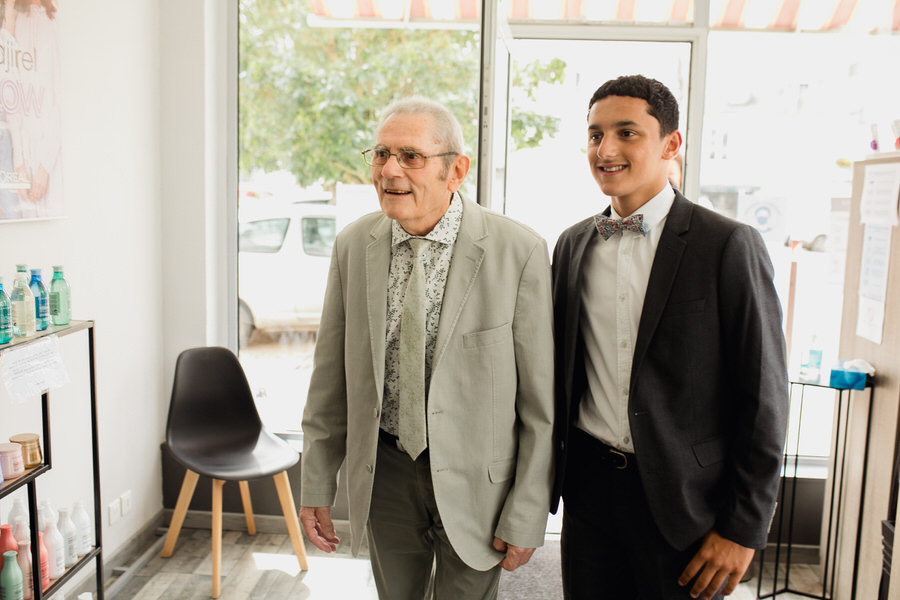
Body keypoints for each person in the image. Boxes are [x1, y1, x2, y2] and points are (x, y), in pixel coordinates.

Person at [299, 96, 555, 600]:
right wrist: (315, 485)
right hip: (386, 471)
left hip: (479, 481)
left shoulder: (518, 251)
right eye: (380, 154)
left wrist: (526, 510)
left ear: (455, 170)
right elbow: (330, 377)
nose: (389, 169)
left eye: (410, 156)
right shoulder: (354, 245)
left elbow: (540, 406)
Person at [551, 75, 788, 599]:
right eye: (594, 135)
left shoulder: (727, 244)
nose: (606, 149)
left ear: (671, 144)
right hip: (587, 493)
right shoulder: (571, 245)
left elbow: (764, 397)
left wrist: (742, 528)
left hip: (686, 502)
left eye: (627, 133)